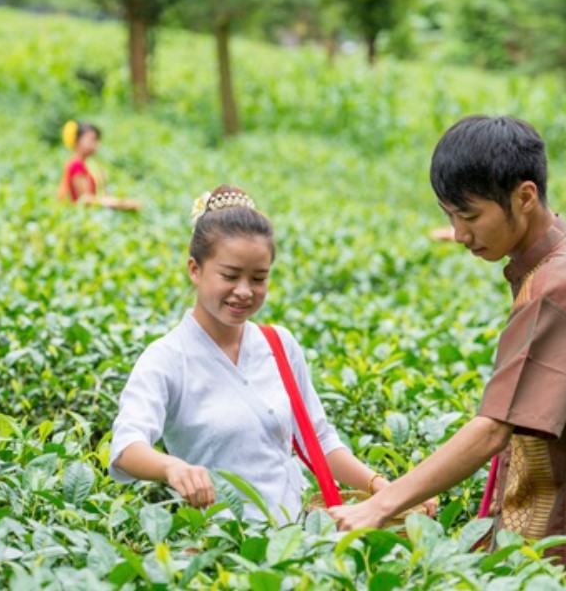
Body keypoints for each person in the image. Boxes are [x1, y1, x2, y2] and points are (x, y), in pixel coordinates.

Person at [329, 116, 566, 567]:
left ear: (524, 197)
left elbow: (493, 428)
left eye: (471, 216)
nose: (460, 234)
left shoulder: (557, 287)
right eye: (450, 216)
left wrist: (380, 504)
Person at [109, 185, 433, 522]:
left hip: (295, 545)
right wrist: (171, 466)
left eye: (259, 278)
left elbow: (318, 439)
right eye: (230, 276)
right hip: (223, 552)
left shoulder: (279, 344)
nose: (245, 291)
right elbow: (126, 446)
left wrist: (383, 487)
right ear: (195, 269)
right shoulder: (167, 358)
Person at [58, 120, 100, 204]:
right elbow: (86, 199)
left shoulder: (83, 163)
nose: (94, 145)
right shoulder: (77, 165)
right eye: (91, 140)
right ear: (77, 140)